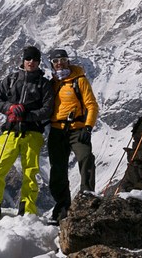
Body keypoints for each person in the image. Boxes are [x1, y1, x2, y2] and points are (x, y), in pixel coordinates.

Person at [0, 45, 54, 224]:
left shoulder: (44, 84)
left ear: (39, 62)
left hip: (32, 133)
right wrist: (10, 108)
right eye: (28, 59)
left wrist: (26, 115)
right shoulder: (11, 80)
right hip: (10, 132)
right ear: (23, 60)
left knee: (30, 174)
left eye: (35, 60)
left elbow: (47, 110)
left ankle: (27, 211)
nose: (31, 62)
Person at [46, 48, 99, 224]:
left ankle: (87, 201)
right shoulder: (51, 83)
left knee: (86, 159)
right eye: (55, 61)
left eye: (62, 60)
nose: (59, 63)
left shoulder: (79, 80)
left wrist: (88, 127)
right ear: (51, 64)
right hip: (56, 130)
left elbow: (92, 105)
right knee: (57, 170)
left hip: (78, 129)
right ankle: (62, 209)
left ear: (68, 61)